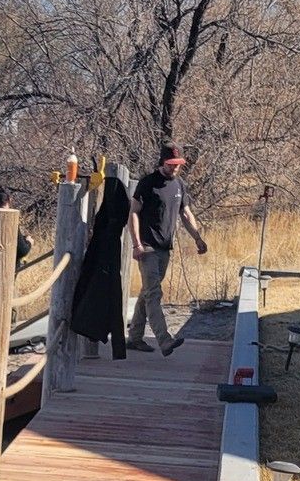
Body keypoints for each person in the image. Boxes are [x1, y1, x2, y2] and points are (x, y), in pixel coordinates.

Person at [128, 142, 207, 356]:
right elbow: (133, 213)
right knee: (154, 293)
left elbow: (186, 213)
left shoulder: (180, 185)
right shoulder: (148, 183)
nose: (174, 168)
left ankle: (134, 337)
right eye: (171, 164)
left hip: (164, 248)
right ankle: (164, 340)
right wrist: (136, 244)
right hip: (147, 247)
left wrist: (197, 238)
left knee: (147, 292)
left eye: (178, 164)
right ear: (163, 162)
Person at [68, 169, 131, 359]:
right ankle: (113, 345)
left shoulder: (109, 228)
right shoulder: (113, 223)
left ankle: (92, 332)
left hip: (104, 259)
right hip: (105, 257)